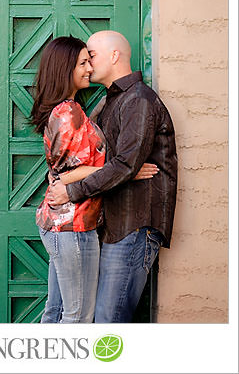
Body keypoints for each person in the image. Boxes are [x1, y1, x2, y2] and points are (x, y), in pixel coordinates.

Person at [47, 30, 178, 323]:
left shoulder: (139, 100)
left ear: (115, 56)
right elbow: (88, 161)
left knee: (110, 321)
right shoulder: (110, 102)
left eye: (91, 56)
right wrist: (62, 176)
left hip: (134, 225)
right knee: (94, 318)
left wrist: (71, 191)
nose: (89, 66)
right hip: (111, 225)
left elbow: (125, 166)